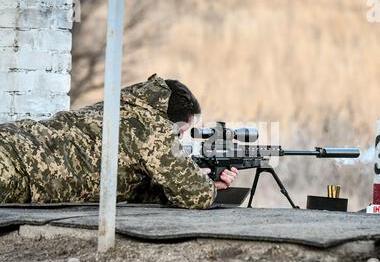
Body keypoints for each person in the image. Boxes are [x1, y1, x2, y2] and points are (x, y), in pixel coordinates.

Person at [0, 74, 238, 209]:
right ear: (169, 123)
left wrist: (182, 181)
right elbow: (197, 196)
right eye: (180, 131)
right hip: (16, 169)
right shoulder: (153, 128)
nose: (180, 138)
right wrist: (206, 186)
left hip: (12, 142)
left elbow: (130, 185)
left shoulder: (120, 107)